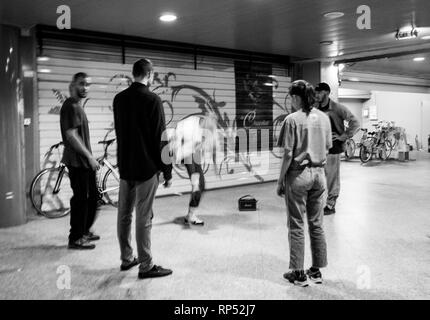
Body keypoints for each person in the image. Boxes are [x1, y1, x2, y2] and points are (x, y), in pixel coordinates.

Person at [113, 58, 173, 279]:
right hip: (147, 168)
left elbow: (121, 133)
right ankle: (146, 265)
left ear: (133, 73)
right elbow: (162, 137)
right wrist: (167, 171)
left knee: (124, 214)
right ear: (150, 74)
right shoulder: (153, 99)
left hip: (125, 167)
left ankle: (126, 258)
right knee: (144, 217)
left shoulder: (119, 99)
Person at [277, 80, 332, 287]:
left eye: (291, 97)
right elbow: (327, 147)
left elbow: (288, 154)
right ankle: (316, 272)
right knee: (317, 224)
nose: (290, 101)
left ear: (296, 97)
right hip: (319, 175)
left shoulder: (291, 120)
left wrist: (280, 180)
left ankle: (299, 274)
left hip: (298, 176)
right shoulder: (324, 118)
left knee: (296, 224)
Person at [60, 72, 100, 250]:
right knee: (81, 200)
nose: (85, 88)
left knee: (93, 197)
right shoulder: (71, 106)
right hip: (78, 162)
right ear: (73, 84)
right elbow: (71, 135)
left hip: (83, 162)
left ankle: (84, 230)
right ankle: (76, 237)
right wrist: (90, 157)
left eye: (88, 84)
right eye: (82, 84)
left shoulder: (76, 105)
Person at [315, 82, 360, 215]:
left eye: (319, 92)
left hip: (333, 149)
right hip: (317, 149)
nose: (316, 95)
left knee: (332, 179)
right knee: (316, 179)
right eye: (315, 92)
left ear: (327, 93)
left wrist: (344, 136)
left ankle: (330, 205)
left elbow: (355, 123)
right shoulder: (314, 109)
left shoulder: (338, 108)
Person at [172, 113, 219, 225]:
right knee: (196, 183)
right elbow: (176, 133)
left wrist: (216, 165)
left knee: (201, 185)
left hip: (194, 156)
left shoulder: (210, 130)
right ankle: (195, 184)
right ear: (206, 120)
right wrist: (175, 156)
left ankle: (190, 215)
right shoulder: (190, 123)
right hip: (184, 153)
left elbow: (214, 147)